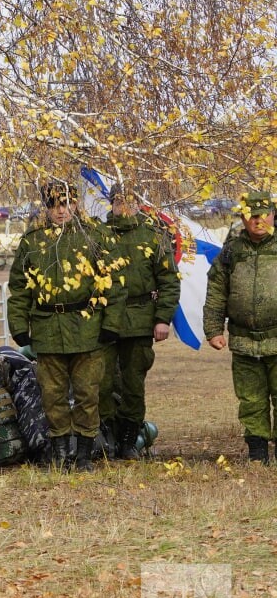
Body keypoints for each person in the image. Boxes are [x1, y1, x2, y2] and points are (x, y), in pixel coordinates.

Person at [8, 180, 126, 472]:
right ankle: (60, 452)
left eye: (67, 203)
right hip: (48, 328)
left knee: (88, 393)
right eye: (54, 205)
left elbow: (115, 286)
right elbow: (19, 287)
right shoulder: (33, 241)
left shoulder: (95, 236)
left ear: (76, 204)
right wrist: (19, 326)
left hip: (87, 328)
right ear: (46, 208)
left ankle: (84, 454)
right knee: (52, 394)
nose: (61, 211)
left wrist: (110, 324)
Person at [99, 184, 180, 459]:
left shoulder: (154, 236)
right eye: (119, 201)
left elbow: (169, 281)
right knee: (103, 383)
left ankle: (128, 439)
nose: (125, 206)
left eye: (130, 201)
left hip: (140, 318)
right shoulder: (98, 235)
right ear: (111, 203)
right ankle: (107, 438)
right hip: (104, 322)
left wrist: (162, 319)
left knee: (133, 385)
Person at [203, 191, 277, 464]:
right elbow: (217, 292)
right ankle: (258, 452)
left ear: (273, 215)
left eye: (262, 215)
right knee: (251, 400)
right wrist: (212, 329)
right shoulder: (232, 251)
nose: (257, 221)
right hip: (245, 341)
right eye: (251, 216)